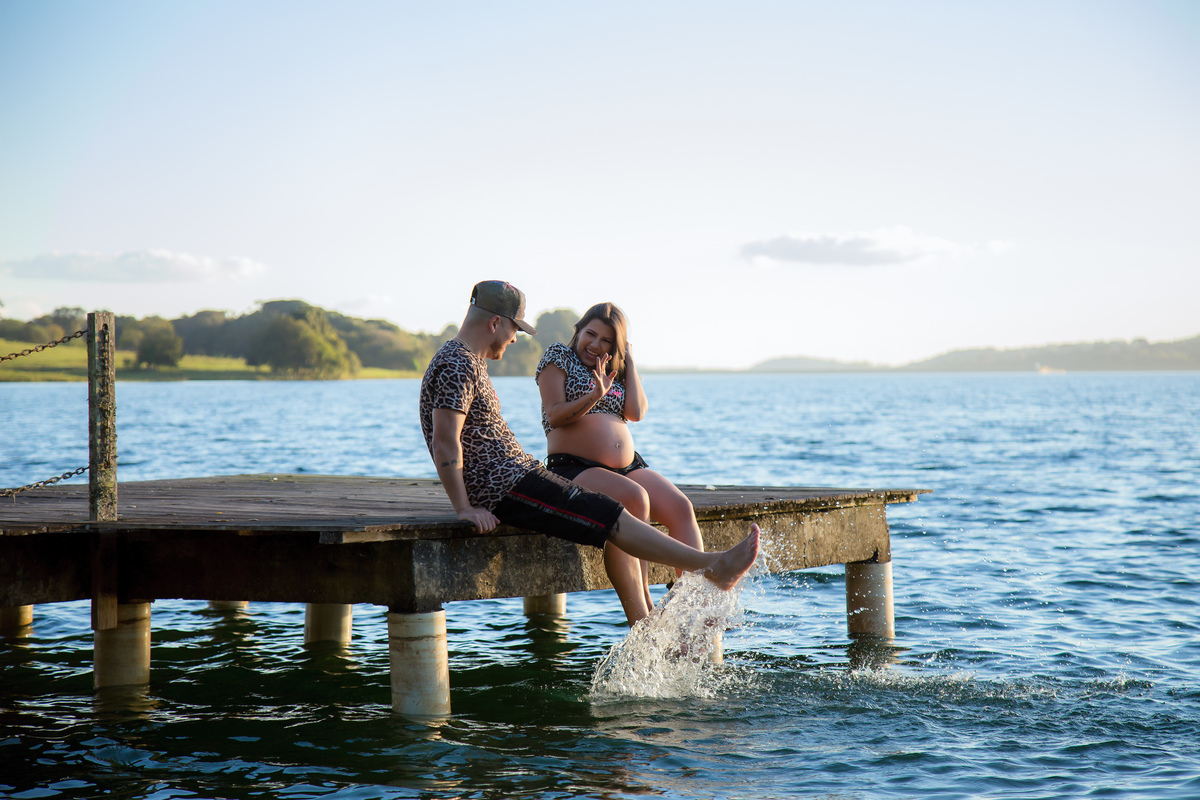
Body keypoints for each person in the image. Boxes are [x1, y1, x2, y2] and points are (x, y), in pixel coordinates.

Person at [419, 281, 759, 604]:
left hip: (517, 474)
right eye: (514, 329)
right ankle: (709, 568)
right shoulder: (457, 363)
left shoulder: (467, 361)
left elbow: (636, 411)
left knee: (624, 510)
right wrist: (464, 508)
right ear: (495, 323)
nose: (514, 339)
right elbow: (445, 441)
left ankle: (697, 586)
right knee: (608, 513)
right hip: (505, 484)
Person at [535, 302, 707, 626]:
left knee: (680, 506)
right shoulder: (559, 356)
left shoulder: (617, 368)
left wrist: (628, 361)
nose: (595, 345)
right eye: (591, 334)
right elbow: (554, 414)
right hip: (573, 466)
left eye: (607, 341)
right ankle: (642, 619)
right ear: (578, 330)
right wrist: (595, 395)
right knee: (634, 499)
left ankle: (693, 610)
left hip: (626, 466)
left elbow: (636, 412)